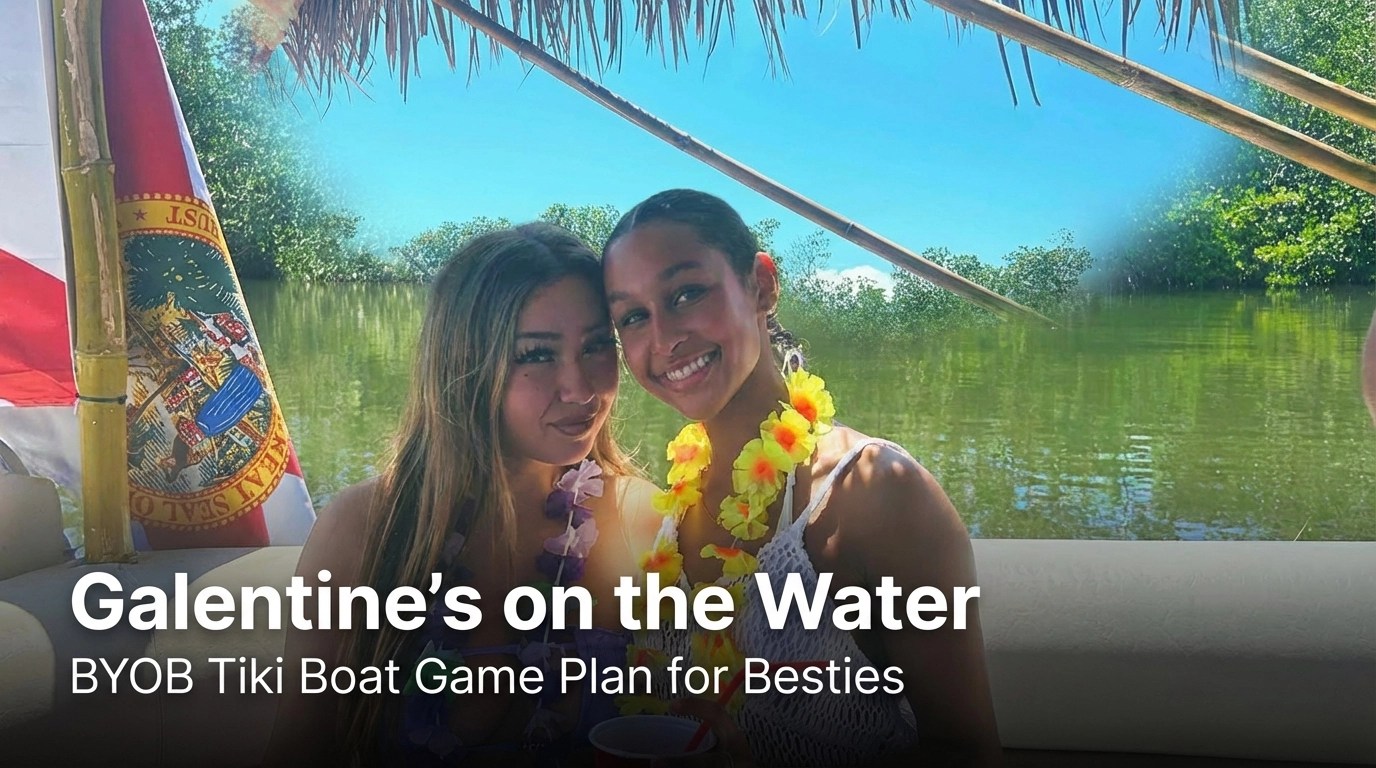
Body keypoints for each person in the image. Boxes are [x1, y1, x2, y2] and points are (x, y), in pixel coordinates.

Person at [601, 190, 1003, 766]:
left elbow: (969, 754)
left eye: (687, 293)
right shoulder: (661, 509)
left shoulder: (874, 493)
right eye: (633, 317)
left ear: (761, 285)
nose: (662, 339)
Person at [266, 223, 656, 767]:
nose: (581, 388)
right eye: (537, 355)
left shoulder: (639, 521)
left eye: (597, 346)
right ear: (465, 365)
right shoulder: (364, 528)